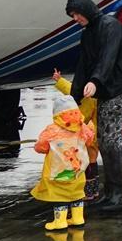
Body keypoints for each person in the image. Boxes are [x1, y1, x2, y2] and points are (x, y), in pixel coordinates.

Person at [65, 0, 122, 211]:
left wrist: (96, 81)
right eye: (72, 16)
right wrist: (74, 96)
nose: (75, 18)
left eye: (76, 13)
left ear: (86, 9)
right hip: (106, 91)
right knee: (104, 139)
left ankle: (117, 194)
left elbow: (109, 56)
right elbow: (83, 65)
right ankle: (111, 192)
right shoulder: (87, 35)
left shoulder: (110, 25)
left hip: (120, 88)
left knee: (110, 139)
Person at [31, 94, 96, 231]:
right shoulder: (82, 127)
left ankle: (60, 221)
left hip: (58, 172)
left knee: (59, 196)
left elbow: (41, 146)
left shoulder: (52, 130)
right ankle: (78, 218)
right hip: (78, 171)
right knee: (77, 194)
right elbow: (90, 140)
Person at [51, 69, 99, 200]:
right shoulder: (97, 93)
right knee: (93, 162)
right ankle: (94, 190)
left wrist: (59, 80)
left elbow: (70, 89)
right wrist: (59, 80)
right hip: (94, 132)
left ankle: (88, 192)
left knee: (86, 164)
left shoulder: (81, 92)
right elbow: (69, 88)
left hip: (84, 132)